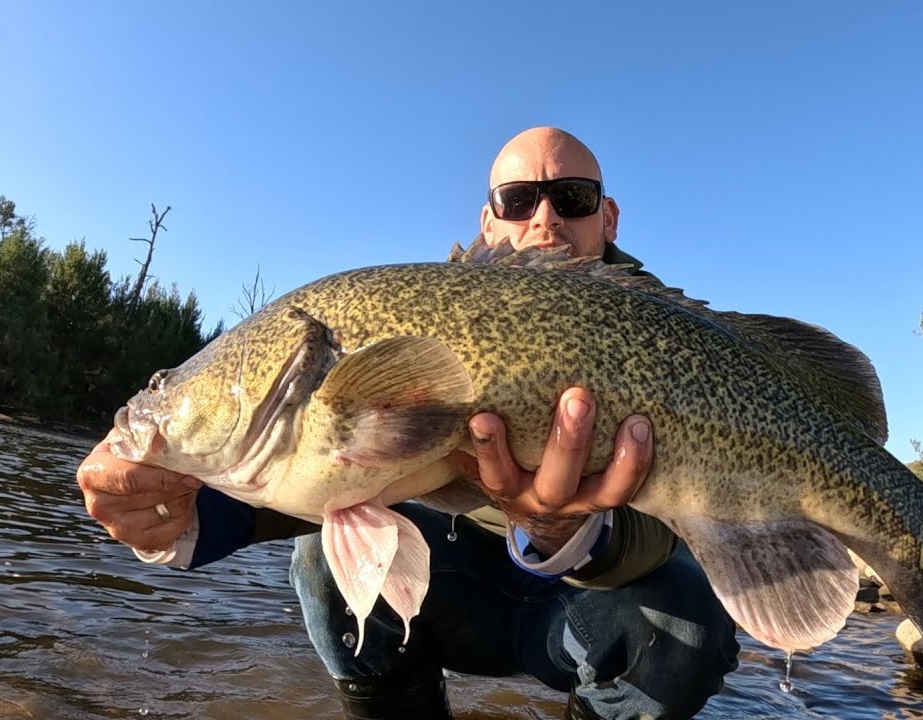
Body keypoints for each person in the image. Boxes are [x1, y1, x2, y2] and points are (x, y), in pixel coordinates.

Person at [77, 127, 741, 720]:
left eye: (572, 197)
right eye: (518, 200)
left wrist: (563, 529)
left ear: (608, 216)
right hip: (458, 594)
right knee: (323, 563)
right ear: (489, 221)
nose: (545, 219)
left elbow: (673, 537)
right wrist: (164, 505)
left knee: (687, 624)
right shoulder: (428, 313)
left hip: (590, 610)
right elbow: (305, 476)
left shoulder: (670, 340)